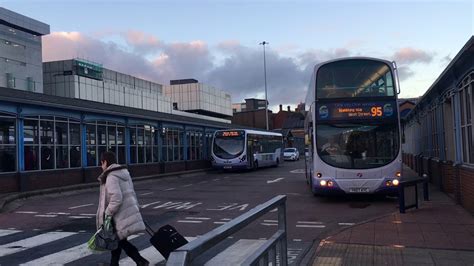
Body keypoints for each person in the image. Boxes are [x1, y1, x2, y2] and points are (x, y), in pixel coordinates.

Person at [96, 151, 149, 266]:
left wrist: (107, 213)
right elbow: (131, 192)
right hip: (126, 212)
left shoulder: (111, 177)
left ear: (105, 162)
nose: (101, 166)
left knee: (119, 241)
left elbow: (116, 198)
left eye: (101, 163)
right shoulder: (124, 173)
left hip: (117, 215)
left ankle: (140, 260)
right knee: (118, 241)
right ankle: (120, 263)